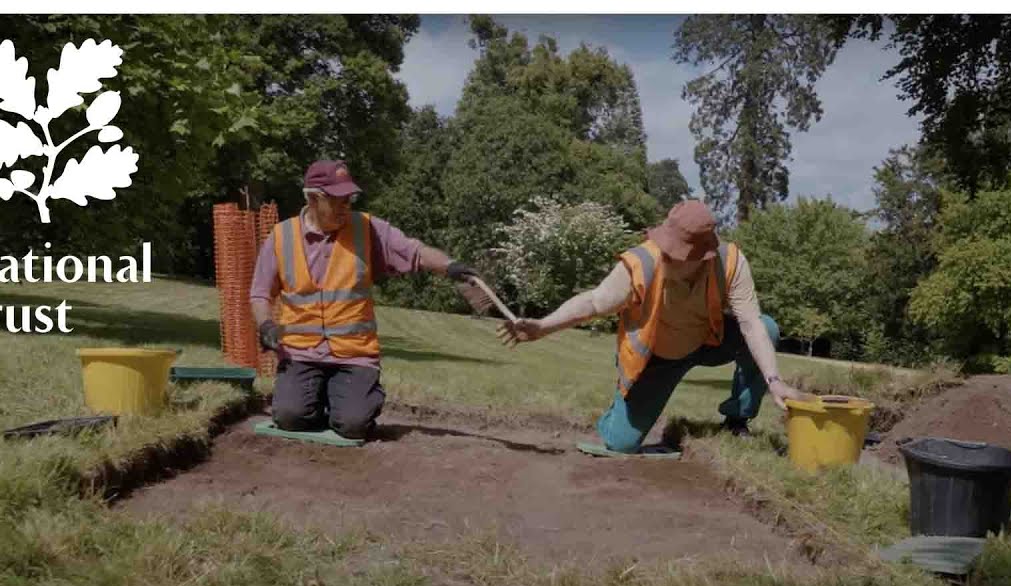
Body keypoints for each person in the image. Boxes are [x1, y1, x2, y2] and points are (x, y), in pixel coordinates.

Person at [501, 199, 805, 453]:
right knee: (620, 444)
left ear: (703, 256)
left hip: (708, 341)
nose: (668, 255)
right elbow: (593, 303)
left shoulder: (730, 263)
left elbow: (751, 324)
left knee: (767, 327)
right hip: (658, 358)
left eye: (678, 253)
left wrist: (774, 380)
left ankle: (737, 420)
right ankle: (621, 405)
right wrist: (543, 326)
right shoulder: (642, 262)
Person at [250, 159, 478, 440]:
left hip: (354, 354)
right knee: (289, 417)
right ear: (312, 198)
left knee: (353, 425)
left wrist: (451, 266)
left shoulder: (368, 229)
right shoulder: (281, 236)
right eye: (337, 200)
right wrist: (265, 326)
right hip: (302, 353)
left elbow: (413, 251)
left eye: (349, 198)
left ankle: (351, 400)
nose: (346, 206)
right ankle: (314, 397)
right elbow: (260, 292)